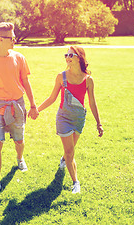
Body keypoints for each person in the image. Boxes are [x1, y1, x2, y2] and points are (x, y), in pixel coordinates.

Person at [0, 22, 39, 197]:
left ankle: (20, 158)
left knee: (19, 141)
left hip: (17, 105)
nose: (15, 40)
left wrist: (33, 104)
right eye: (11, 38)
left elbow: (26, 82)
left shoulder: (19, 58)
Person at [37, 46, 103, 194]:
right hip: (64, 118)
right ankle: (75, 182)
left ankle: (64, 160)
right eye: (66, 54)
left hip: (79, 118)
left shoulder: (88, 80)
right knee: (70, 151)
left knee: (70, 149)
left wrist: (99, 123)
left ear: (79, 57)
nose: (67, 57)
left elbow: (92, 102)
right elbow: (52, 98)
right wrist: (37, 109)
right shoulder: (61, 77)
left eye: (71, 54)